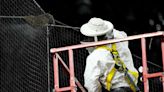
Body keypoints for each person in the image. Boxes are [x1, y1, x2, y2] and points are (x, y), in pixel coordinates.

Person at [80, 17, 139, 92]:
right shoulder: (120, 38)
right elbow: (119, 33)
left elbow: (91, 83)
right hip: (133, 87)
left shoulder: (95, 56)